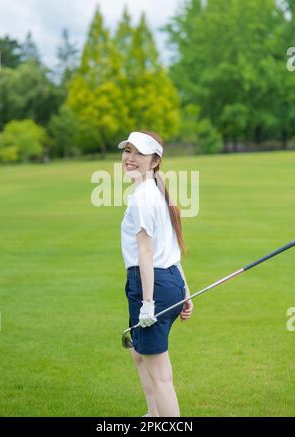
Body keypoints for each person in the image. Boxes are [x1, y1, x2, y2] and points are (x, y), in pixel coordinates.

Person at [118, 130, 194, 418]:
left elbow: (147, 253)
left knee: (161, 375)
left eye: (139, 153)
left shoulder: (143, 198)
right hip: (168, 281)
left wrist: (148, 303)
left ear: (155, 161)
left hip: (151, 286)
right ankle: (153, 415)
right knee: (139, 353)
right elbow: (171, 248)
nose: (130, 158)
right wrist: (184, 290)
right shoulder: (154, 192)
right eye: (128, 151)